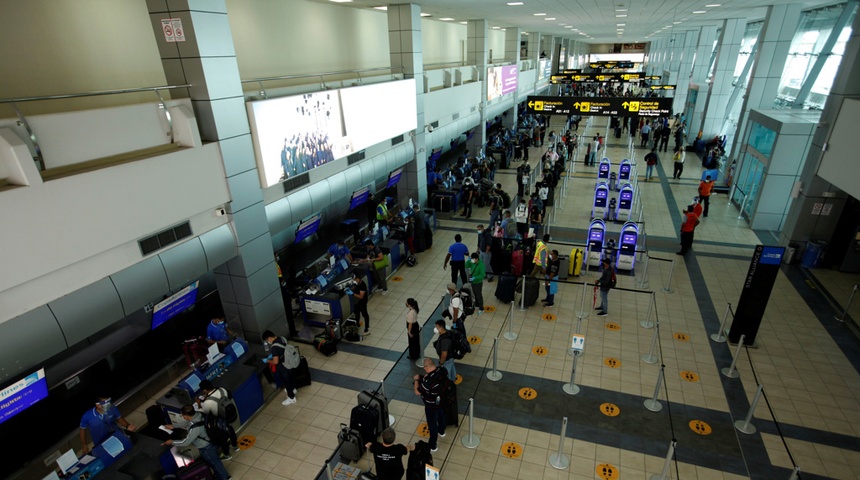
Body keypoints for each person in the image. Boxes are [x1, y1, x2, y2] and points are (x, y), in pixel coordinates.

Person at [161, 404, 231, 480]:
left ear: (187, 416)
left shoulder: (195, 428)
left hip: (206, 448)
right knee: (215, 462)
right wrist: (173, 426)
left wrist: (172, 442)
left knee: (215, 464)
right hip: (211, 442)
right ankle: (220, 475)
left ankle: (224, 478)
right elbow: (188, 423)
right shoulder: (198, 414)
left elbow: (185, 442)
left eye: (183, 415)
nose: (182, 416)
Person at [413, 358, 448, 453]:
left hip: (431, 406)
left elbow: (417, 392)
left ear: (427, 367)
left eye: (424, 367)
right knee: (442, 416)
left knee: (432, 425)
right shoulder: (441, 370)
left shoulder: (428, 382)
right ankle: (442, 431)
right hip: (442, 401)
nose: (424, 369)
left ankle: (433, 445)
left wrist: (416, 380)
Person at [196, 380, 238, 458]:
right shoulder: (222, 389)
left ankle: (227, 455)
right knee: (231, 430)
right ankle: (235, 446)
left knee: (223, 438)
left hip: (220, 420)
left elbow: (205, 412)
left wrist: (199, 404)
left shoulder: (208, 402)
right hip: (228, 415)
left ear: (204, 390)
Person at [262, 330, 297, 405]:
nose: (267, 342)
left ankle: (291, 398)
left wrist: (267, 360)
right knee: (290, 376)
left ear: (269, 338)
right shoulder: (282, 338)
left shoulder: (274, 348)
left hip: (283, 365)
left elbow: (275, 362)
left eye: (267, 340)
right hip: (289, 362)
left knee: (286, 381)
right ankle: (293, 389)